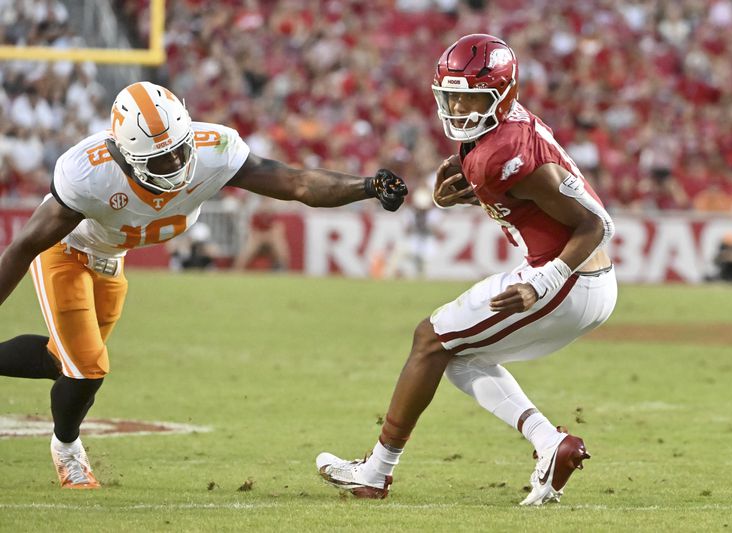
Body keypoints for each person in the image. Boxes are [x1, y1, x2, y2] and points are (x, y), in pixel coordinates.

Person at [0, 81, 407, 489]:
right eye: (160, 160)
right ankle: (67, 449)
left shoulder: (214, 149)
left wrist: (366, 186)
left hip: (112, 260)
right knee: (88, 368)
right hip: (66, 254)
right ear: (123, 156)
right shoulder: (89, 173)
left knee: (63, 362)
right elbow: (23, 248)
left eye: (180, 149)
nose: (177, 164)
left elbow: (298, 183)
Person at [316, 34, 616, 506]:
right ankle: (549, 442)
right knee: (457, 355)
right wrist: (456, 190)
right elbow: (509, 190)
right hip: (571, 277)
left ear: (504, 95)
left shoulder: (506, 154)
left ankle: (375, 473)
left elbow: (597, 224)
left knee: (429, 340)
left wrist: (543, 281)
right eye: (451, 95)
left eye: (471, 97)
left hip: (570, 277)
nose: (458, 106)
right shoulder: (493, 136)